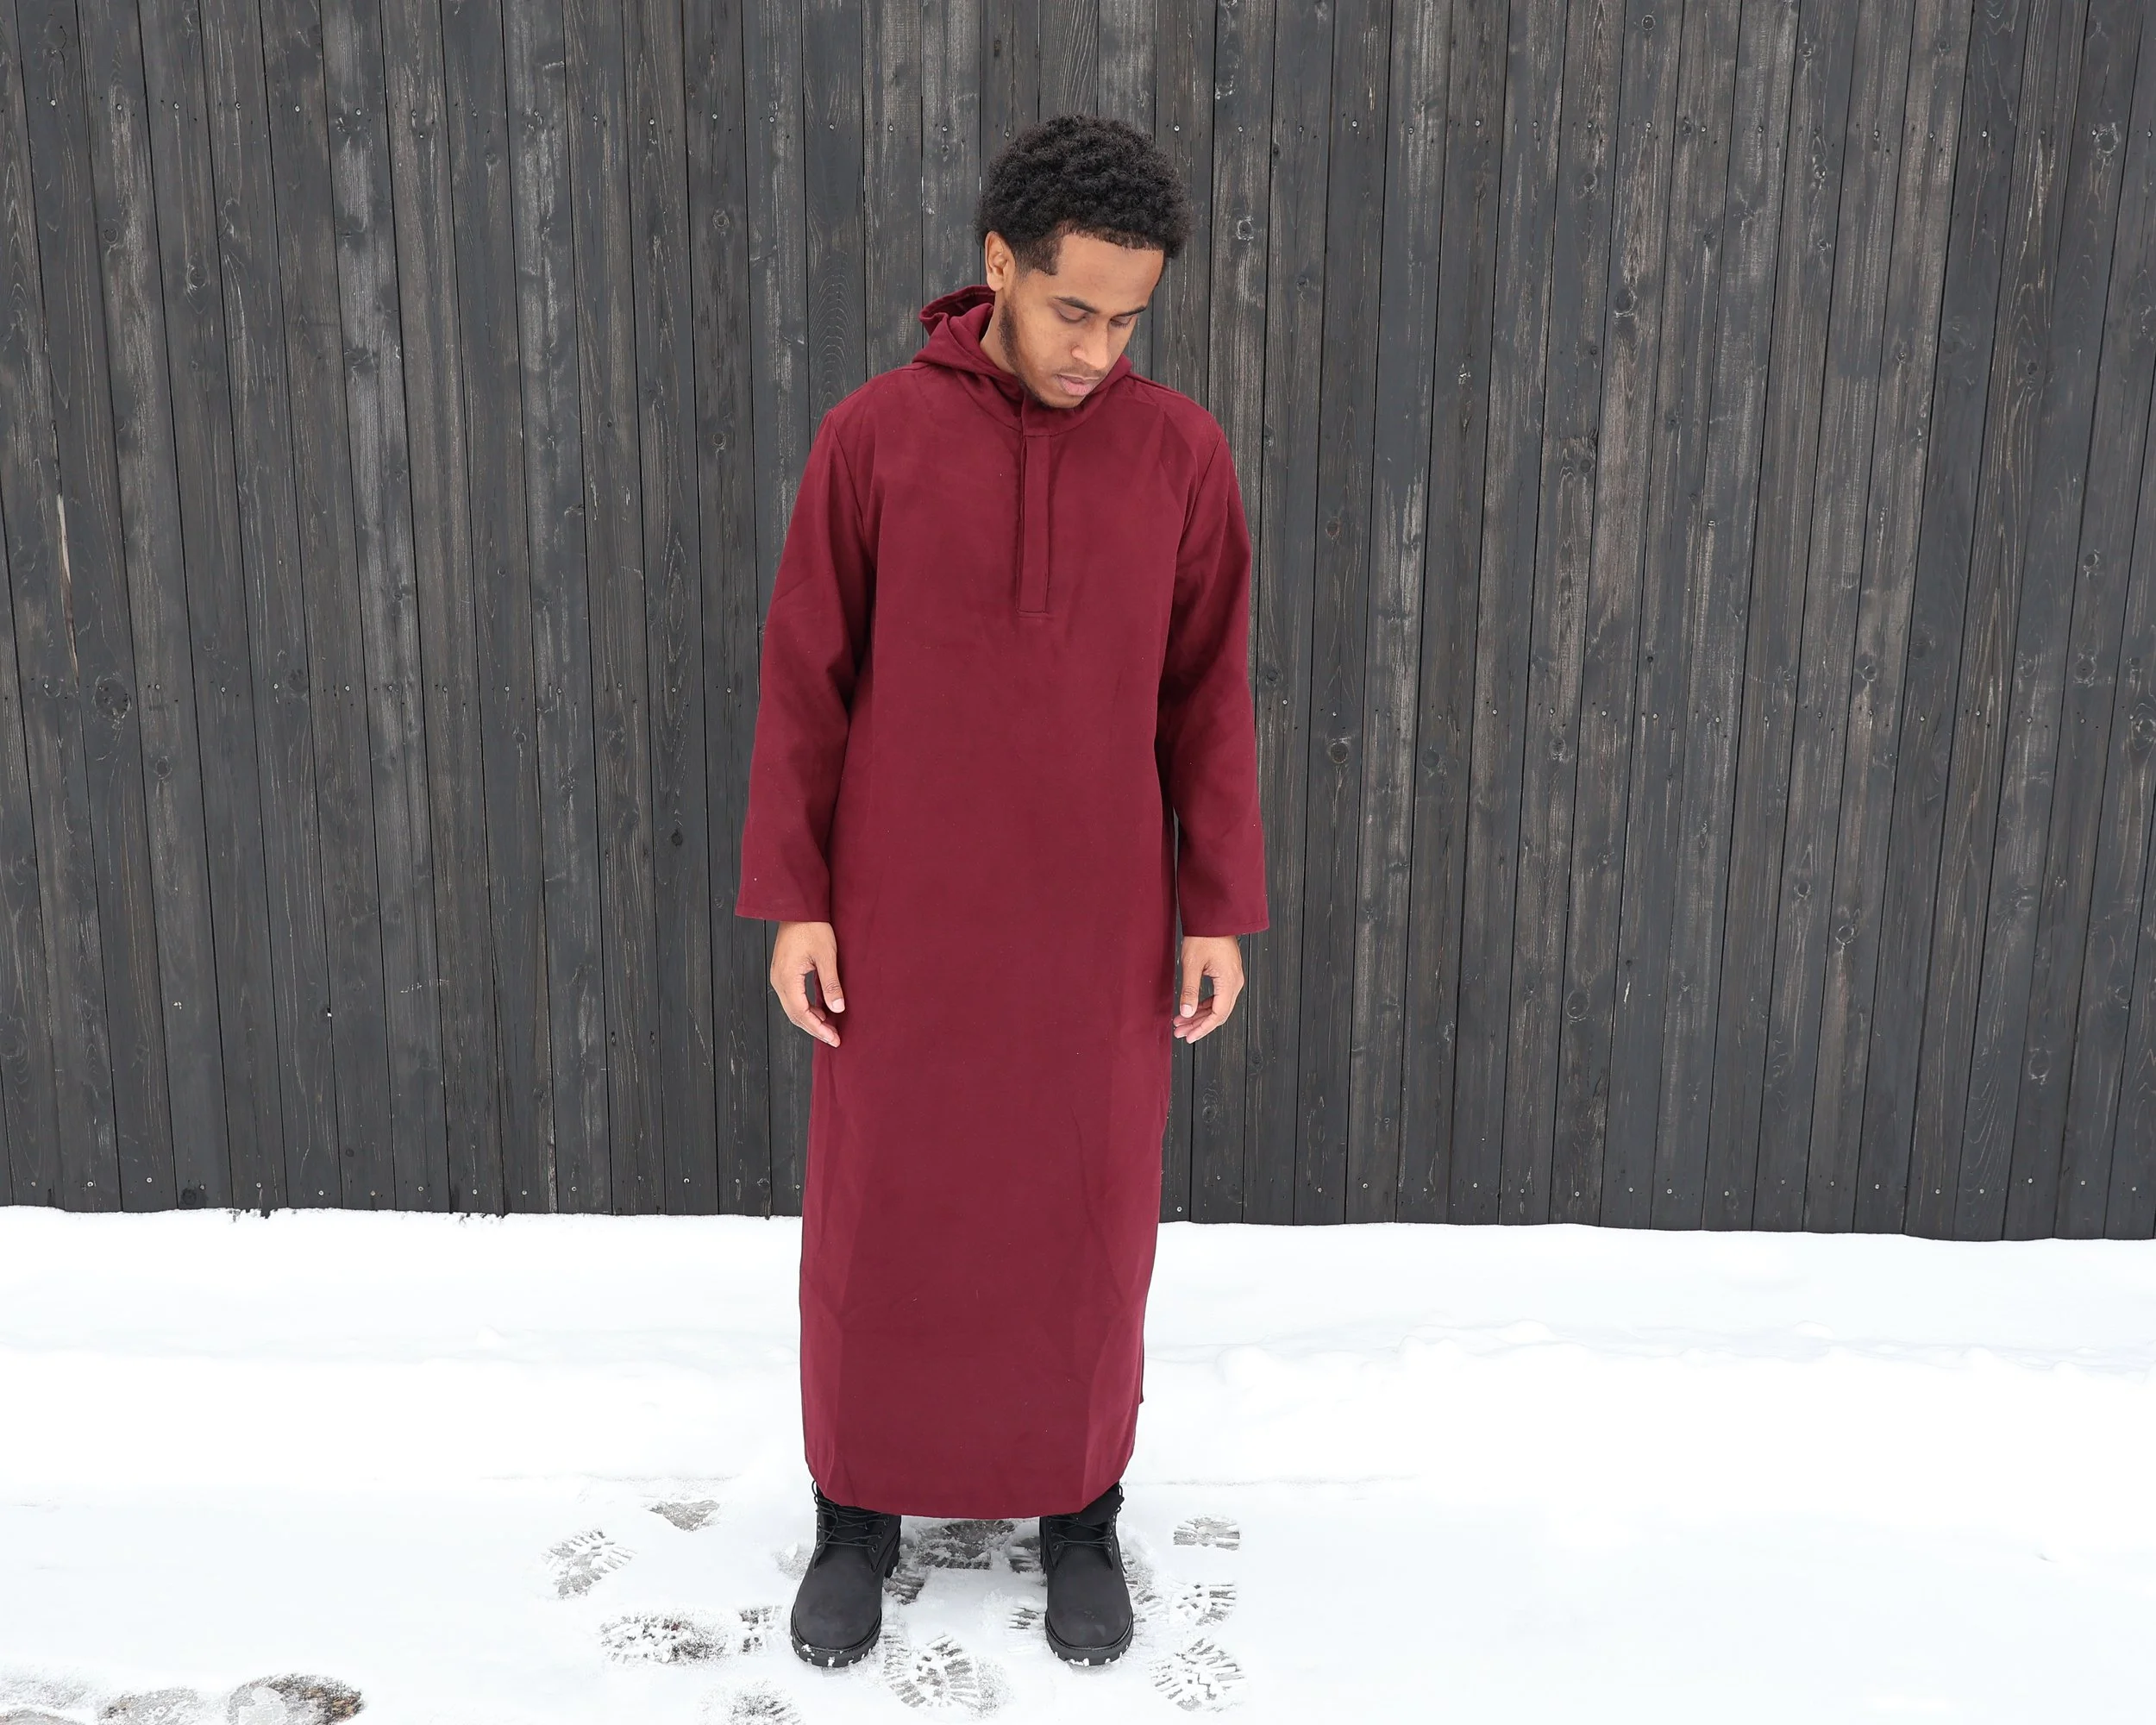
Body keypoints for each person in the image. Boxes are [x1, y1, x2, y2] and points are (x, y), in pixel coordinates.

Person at [734, 112, 1269, 1671]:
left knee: (1084, 1215)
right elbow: (806, 678)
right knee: (886, 1211)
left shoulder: (1181, 456)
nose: (1099, 350)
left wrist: (1218, 906)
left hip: (1100, 925)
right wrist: (797, 897)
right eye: (1071, 309)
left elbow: (1208, 696)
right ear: (997, 270)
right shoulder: (875, 439)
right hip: (901, 918)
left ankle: (1080, 1510)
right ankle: (855, 1514)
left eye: (1129, 319)